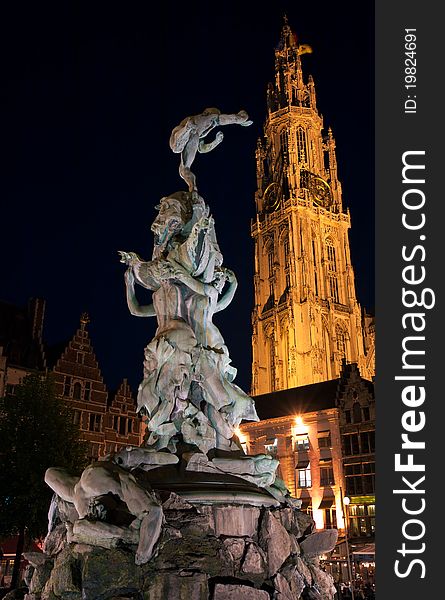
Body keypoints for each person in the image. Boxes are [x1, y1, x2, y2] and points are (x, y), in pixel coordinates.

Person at [169, 108, 253, 192]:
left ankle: (193, 187)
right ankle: (187, 128)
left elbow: (202, 149)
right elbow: (225, 119)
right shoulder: (207, 118)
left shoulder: (205, 128)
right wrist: (241, 119)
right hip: (182, 132)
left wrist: (216, 141)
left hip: (194, 135)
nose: (213, 124)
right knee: (176, 149)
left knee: (184, 169)